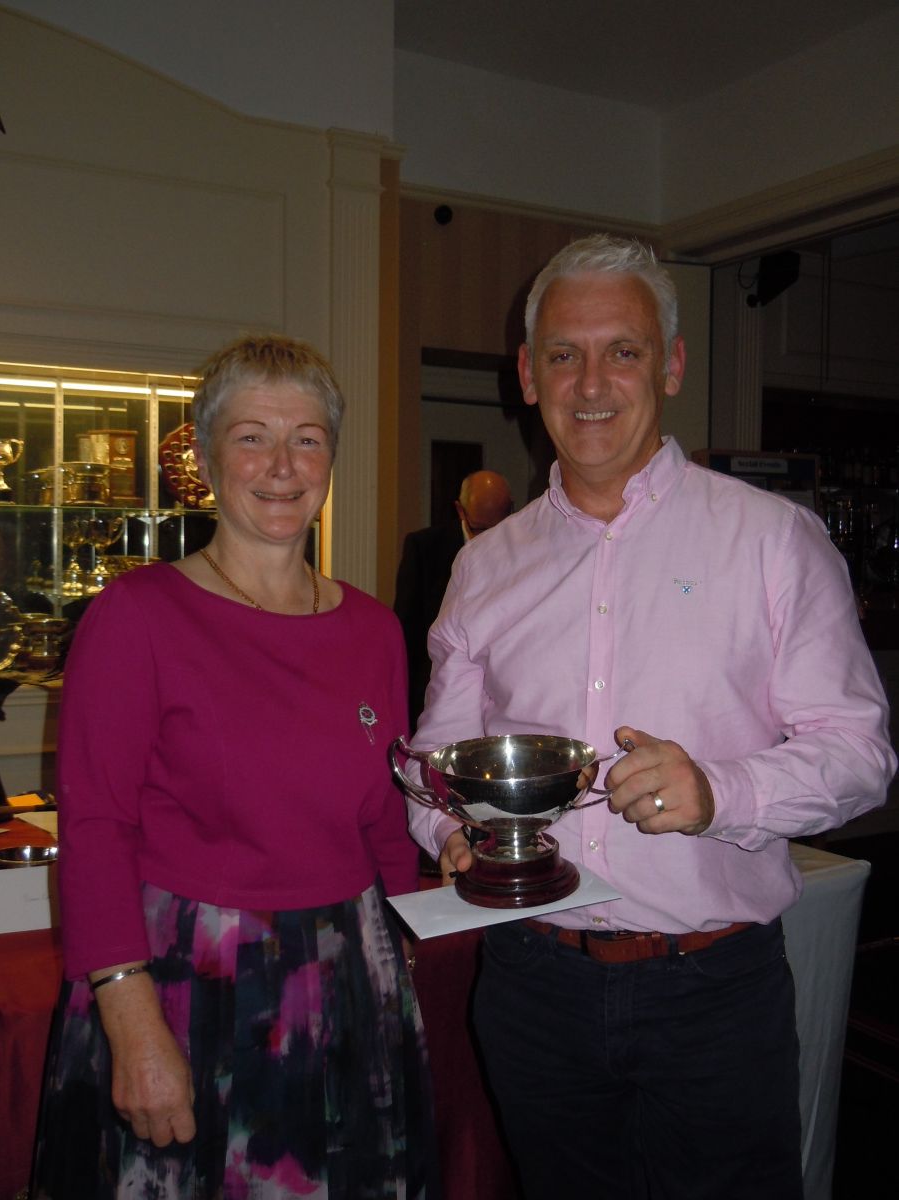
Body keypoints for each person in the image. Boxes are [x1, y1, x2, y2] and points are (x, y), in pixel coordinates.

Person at [406, 235, 896, 1199]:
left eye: (621, 351)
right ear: (528, 374)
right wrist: (451, 831)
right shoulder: (484, 566)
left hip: (712, 994)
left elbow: (860, 756)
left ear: (670, 364)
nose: (590, 384)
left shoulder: (773, 540)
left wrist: (721, 792)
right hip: (532, 983)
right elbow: (436, 760)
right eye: (563, 354)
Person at [31, 335, 438, 1200]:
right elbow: (97, 826)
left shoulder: (373, 630)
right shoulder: (136, 616)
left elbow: (386, 821)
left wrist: (406, 961)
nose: (282, 466)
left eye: (307, 438)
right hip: (185, 985)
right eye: (252, 436)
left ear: (331, 456)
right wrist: (130, 1022)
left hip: (350, 976)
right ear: (208, 460)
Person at [394, 469, 512, 728]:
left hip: (498, 697)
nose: (487, 538)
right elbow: (407, 631)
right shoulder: (424, 548)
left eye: (496, 527)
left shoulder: (521, 549)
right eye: (478, 528)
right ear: (460, 511)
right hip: (438, 693)